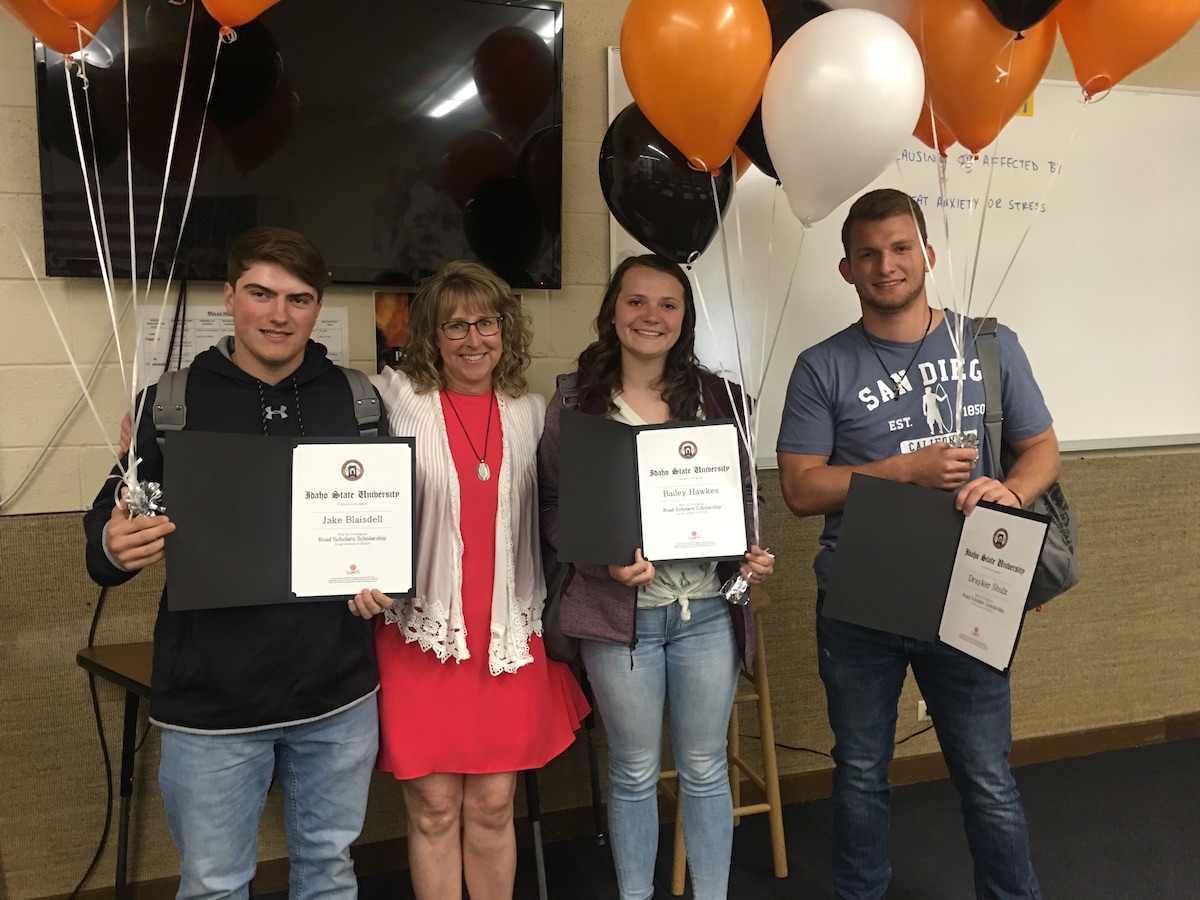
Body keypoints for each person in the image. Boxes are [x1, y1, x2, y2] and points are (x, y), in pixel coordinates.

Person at [84, 227, 391, 900]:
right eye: (261, 293)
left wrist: (388, 584)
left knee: (330, 873)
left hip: (337, 695)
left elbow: (390, 525)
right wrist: (114, 546)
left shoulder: (359, 402)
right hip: (211, 705)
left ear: (317, 306)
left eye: (299, 298)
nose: (279, 314)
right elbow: (103, 540)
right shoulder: (171, 403)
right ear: (229, 297)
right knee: (216, 884)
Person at [777, 188, 1061, 900]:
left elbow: (1042, 450)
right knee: (862, 773)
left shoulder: (991, 343)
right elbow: (801, 490)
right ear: (847, 269)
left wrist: (1011, 493)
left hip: (971, 589)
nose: (887, 264)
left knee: (987, 776)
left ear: (927, 255)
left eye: (901, 248)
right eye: (868, 253)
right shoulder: (821, 365)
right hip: (860, 599)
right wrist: (901, 470)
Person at [537, 254, 776, 900]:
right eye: (636, 301)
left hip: (705, 615)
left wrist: (749, 550)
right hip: (621, 621)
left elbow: (747, 494)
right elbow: (553, 507)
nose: (651, 316)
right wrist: (603, 558)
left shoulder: (721, 398)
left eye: (667, 304)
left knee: (704, 770)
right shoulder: (575, 403)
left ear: (685, 317)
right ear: (613, 311)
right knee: (635, 772)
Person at [359, 260, 589, 900]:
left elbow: (562, 499)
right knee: (432, 807)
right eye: (453, 325)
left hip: (507, 635)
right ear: (430, 334)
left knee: (492, 805)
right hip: (421, 633)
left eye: (485, 322)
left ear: (505, 330)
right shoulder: (394, 399)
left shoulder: (529, 410)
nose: (471, 338)